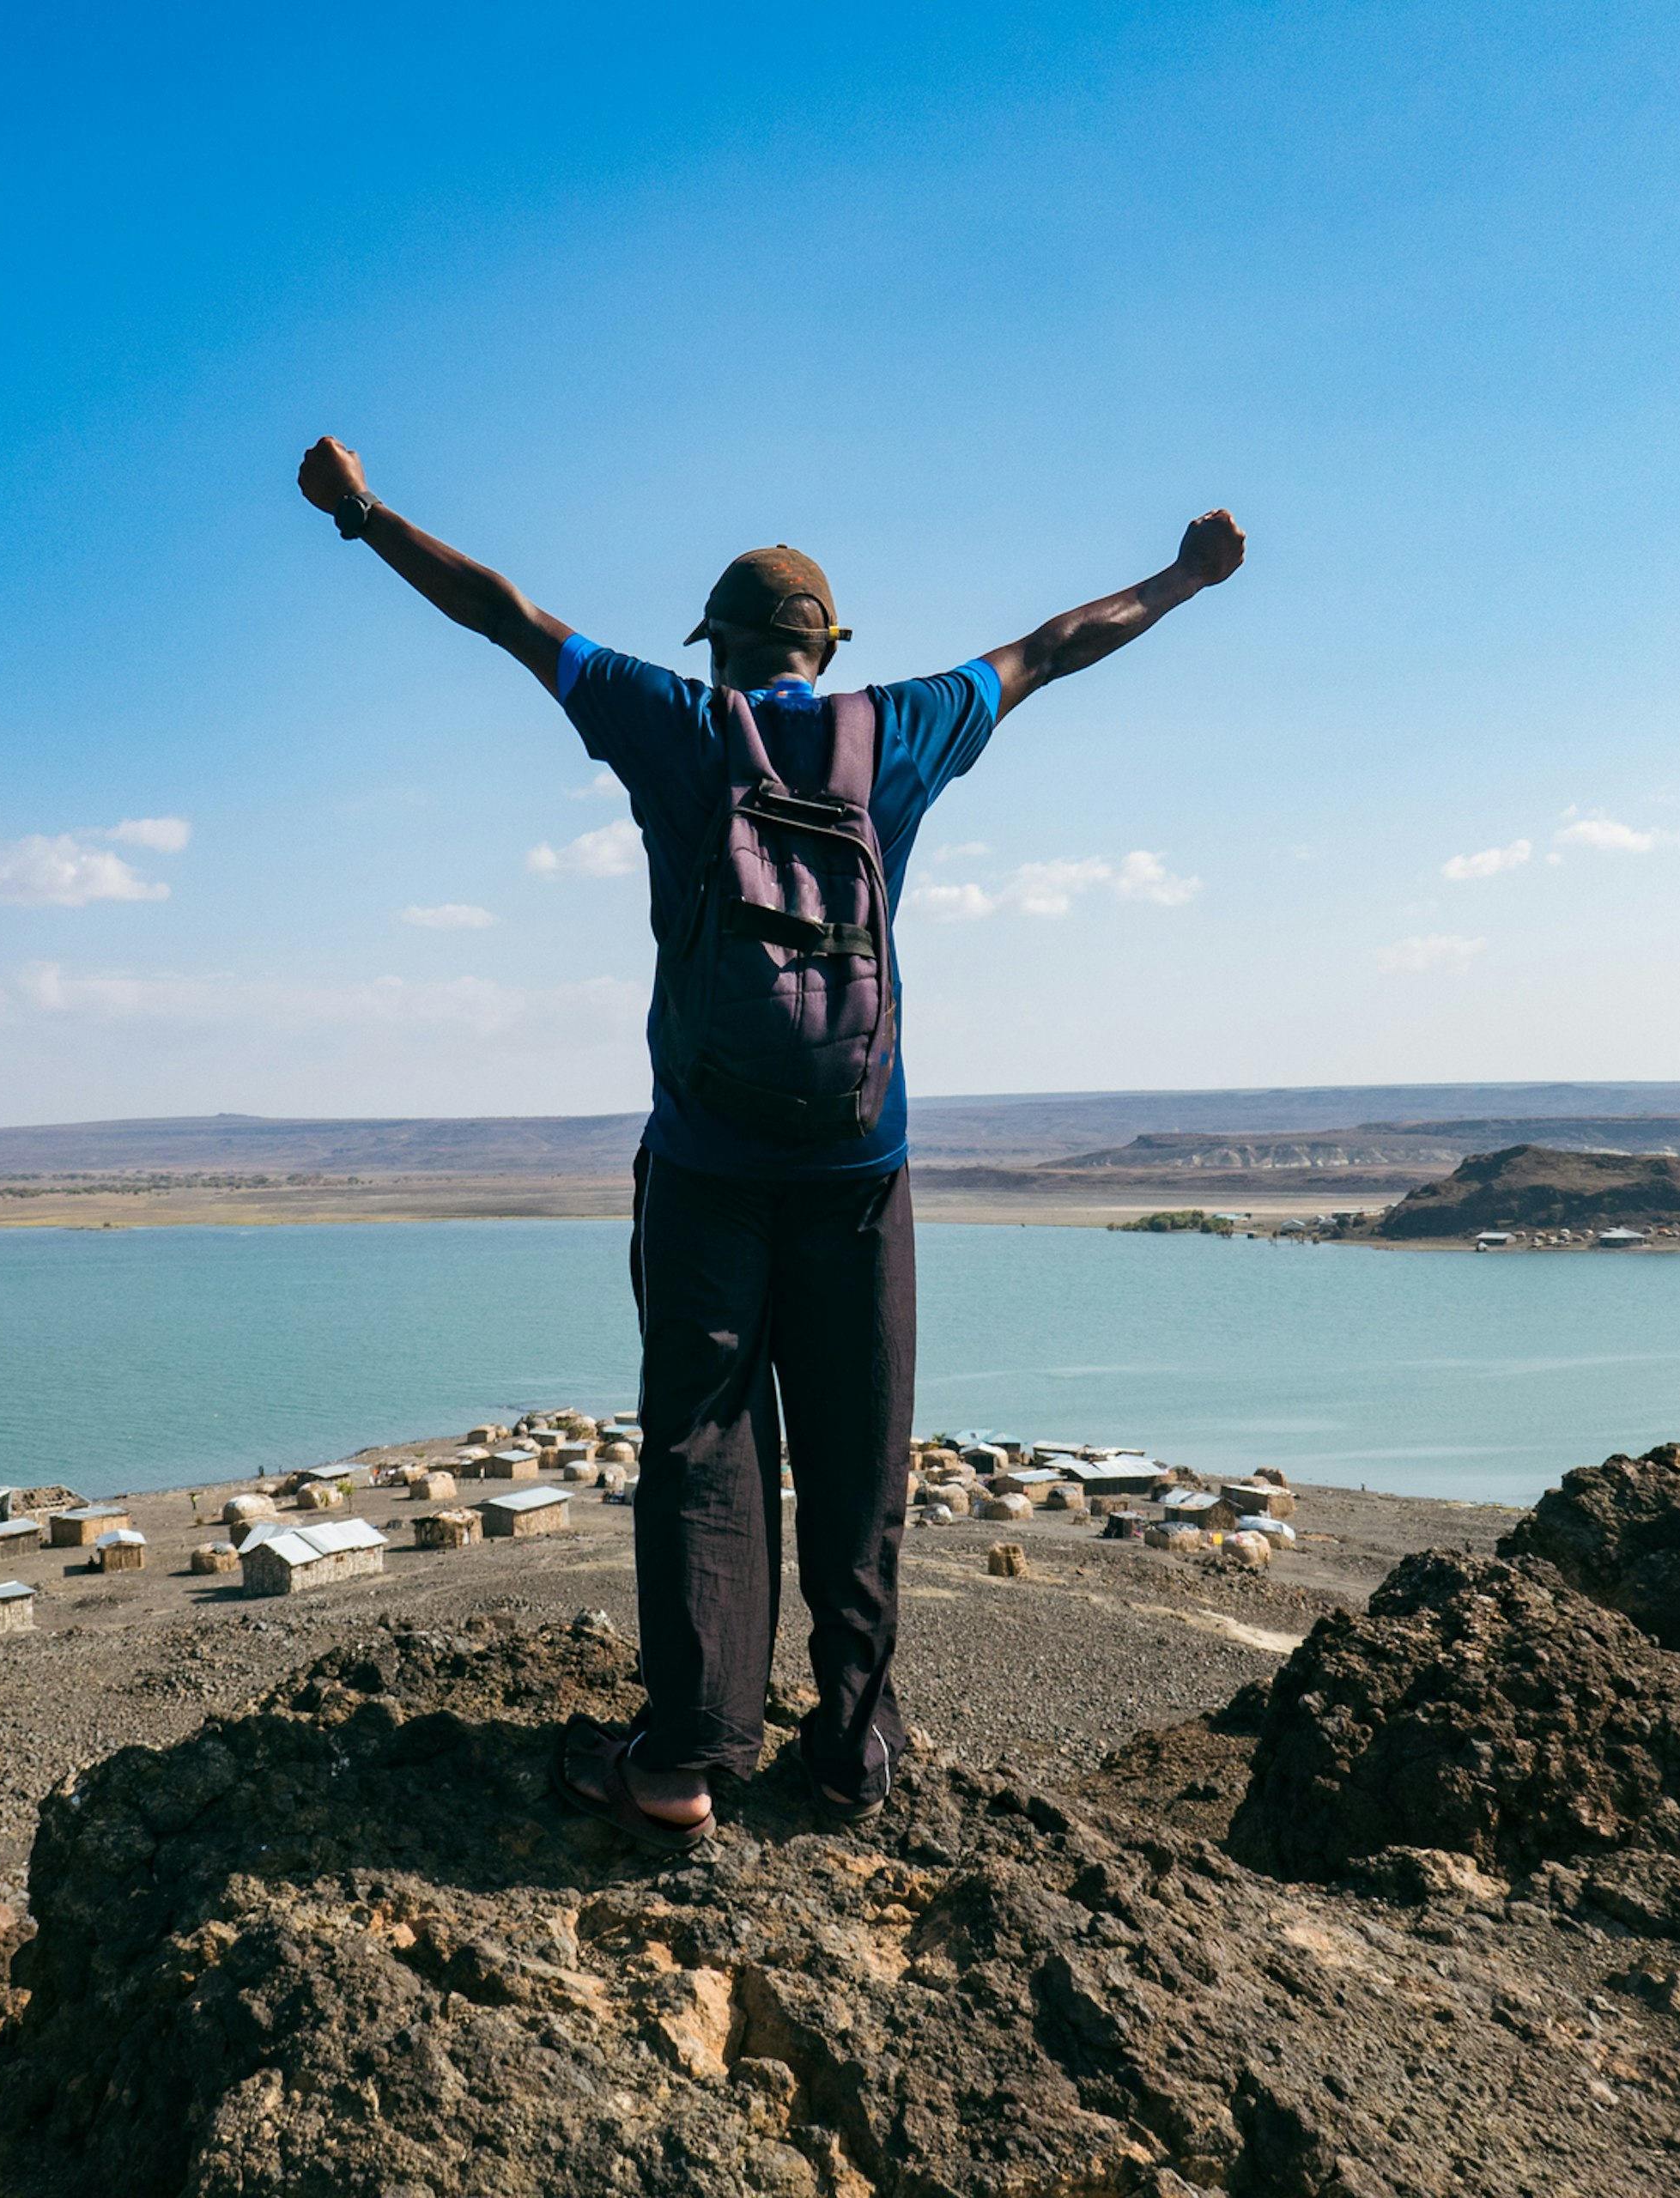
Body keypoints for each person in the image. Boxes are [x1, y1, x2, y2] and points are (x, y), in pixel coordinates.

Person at [296, 435, 1246, 1843]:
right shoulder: (905, 728)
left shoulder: (671, 722)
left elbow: (506, 614)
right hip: (862, 1165)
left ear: (725, 649)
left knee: (702, 1445)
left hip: (705, 1165)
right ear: (826, 644)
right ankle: (854, 1750)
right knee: (860, 1452)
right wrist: (1187, 574)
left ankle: (683, 1760)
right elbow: (1054, 648)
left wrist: (364, 516)